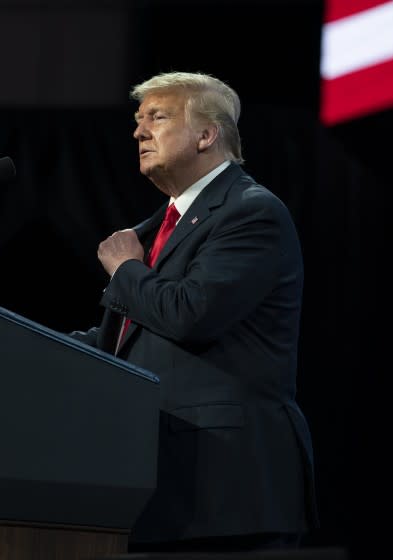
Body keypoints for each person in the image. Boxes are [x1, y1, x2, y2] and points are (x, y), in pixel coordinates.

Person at [71, 71, 318, 551]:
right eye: (138, 121)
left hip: (226, 489)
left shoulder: (250, 212)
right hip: (158, 488)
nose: (138, 132)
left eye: (157, 118)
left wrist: (125, 269)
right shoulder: (161, 227)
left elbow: (191, 313)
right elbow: (124, 342)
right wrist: (18, 340)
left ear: (207, 135)